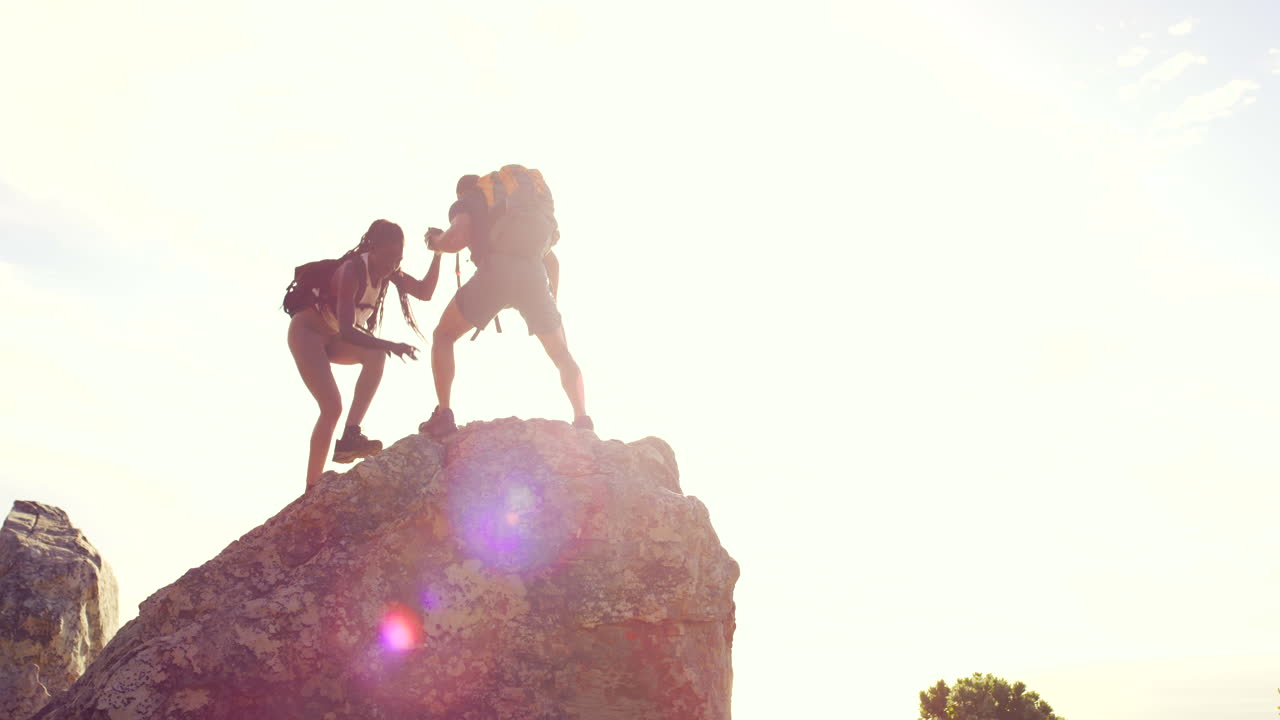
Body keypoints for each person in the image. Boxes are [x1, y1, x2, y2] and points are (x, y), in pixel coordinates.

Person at [419, 169, 591, 436]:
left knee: (444, 335)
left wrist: (435, 243)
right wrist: (552, 304)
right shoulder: (511, 207)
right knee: (560, 353)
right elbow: (552, 261)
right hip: (533, 275)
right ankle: (582, 419)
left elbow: (457, 238)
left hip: (495, 274)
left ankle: (443, 414)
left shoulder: (468, 200)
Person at [285, 219, 442, 492]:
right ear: (374, 248)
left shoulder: (388, 271)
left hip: (332, 337)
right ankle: (311, 486)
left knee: (376, 356)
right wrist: (391, 344)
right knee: (331, 406)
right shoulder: (352, 271)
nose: (392, 266)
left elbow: (424, 293)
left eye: (398, 260)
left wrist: (439, 253)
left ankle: (350, 436)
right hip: (308, 333)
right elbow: (347, 329)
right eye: (389, 257)